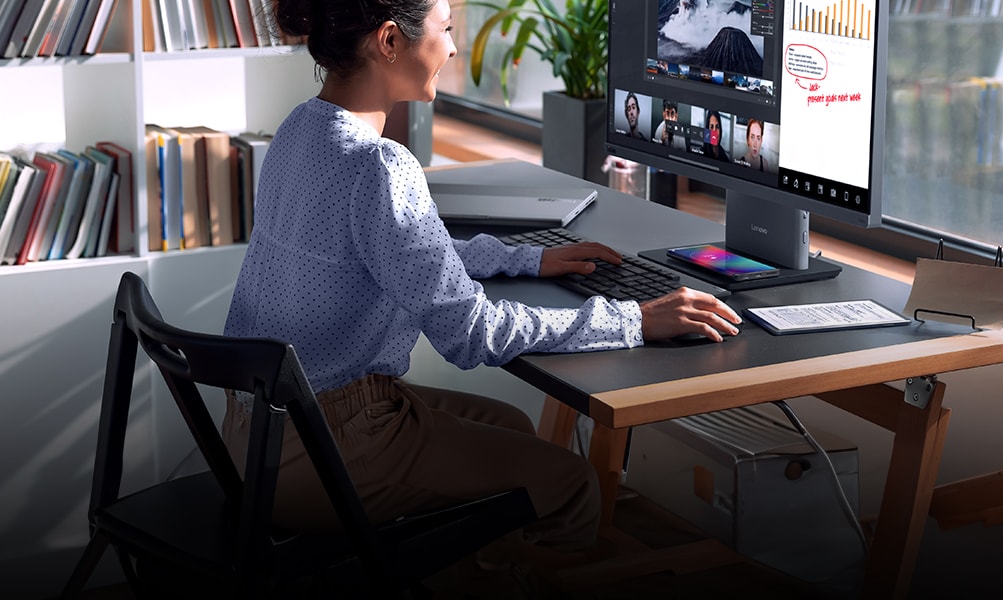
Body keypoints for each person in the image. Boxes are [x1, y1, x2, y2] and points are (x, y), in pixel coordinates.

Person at [222, 0, 741, 570]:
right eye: (446, 32)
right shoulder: (380, 165)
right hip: (331, 447)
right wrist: (635, 319)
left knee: (511, 425)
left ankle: (486, 574)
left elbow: (392, 254)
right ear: (391, 42)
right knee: (569, 484)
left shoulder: (302, 127)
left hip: (259, 435)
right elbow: (472, 334)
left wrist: (527, 261)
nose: (452, 49)